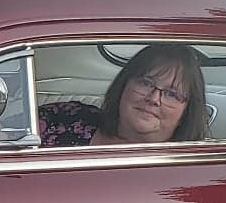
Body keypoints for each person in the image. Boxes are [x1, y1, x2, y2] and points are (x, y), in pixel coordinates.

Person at [39, 44, 208, 147]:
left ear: (187, 110)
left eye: (171, 94)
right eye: (146, 83)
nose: (154, 98)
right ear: (124, 85)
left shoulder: (185, 171)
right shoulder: (66, 117)